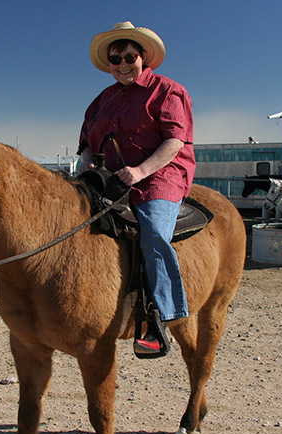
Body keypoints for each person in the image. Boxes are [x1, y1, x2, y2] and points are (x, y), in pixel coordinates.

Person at [77, 21, 196, 357]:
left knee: (154, 233)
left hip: (160, 174)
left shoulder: (168, 91)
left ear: (144, 57)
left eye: (130, 56)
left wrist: (141, 170)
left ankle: (160, 318)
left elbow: (175, 141)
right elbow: (86, 142)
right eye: (116, 59)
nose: (123, 63)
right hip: (110, 177)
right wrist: (87, 163)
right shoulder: (102, 100)